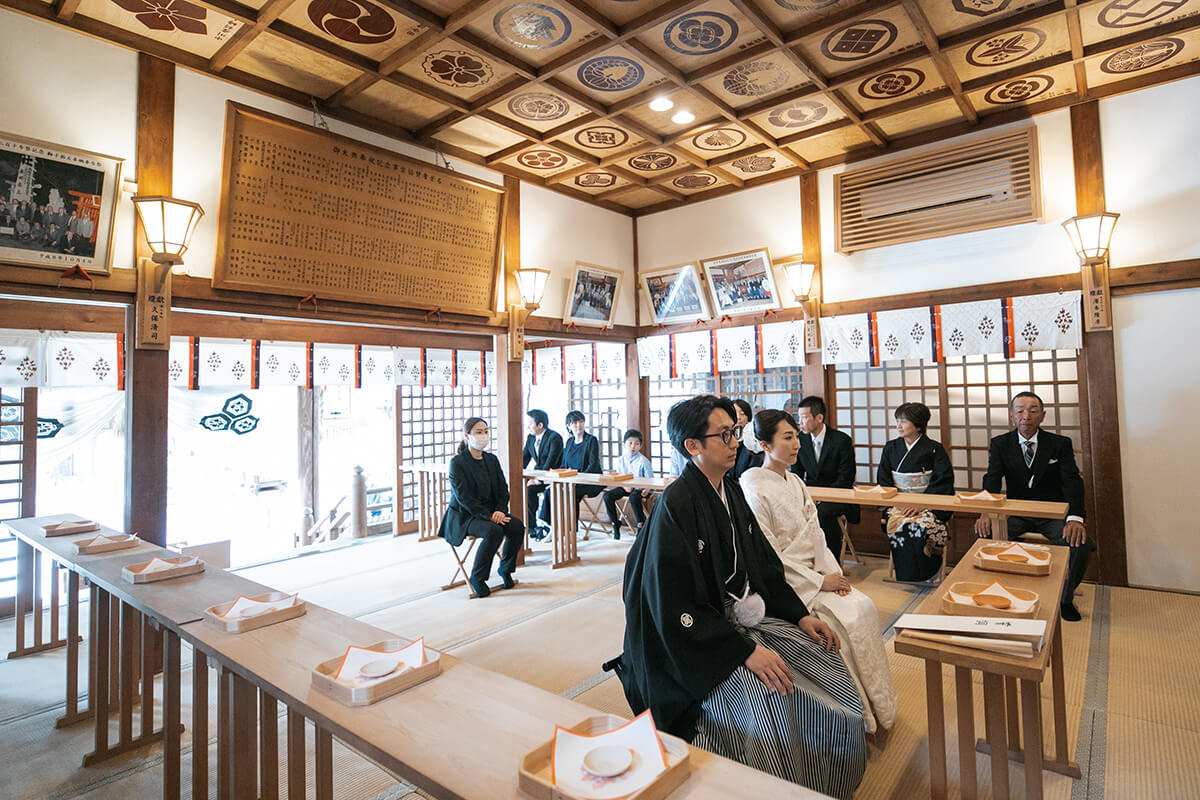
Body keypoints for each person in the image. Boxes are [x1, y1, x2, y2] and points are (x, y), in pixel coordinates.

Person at [615, 395, 866, 797]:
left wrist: (799, 615)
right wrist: (742, 652)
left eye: (736, 432)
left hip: (741, 622)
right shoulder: (676, 505)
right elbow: (673, 606)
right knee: (775, 700)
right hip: (697, 643)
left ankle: (827, 781)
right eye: (725, 434)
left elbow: (765, 566)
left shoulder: (730, 491)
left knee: (828, 668)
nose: (735, 442)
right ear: (692, 446)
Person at [740, 410, 897, 735]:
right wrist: (817, 582)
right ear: (765, 444)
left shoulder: (795, 481)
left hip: (816, 572)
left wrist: (831, 573)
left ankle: (879, 706)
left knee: (863, 606)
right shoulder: (752, 484)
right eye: (788, 437)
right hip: (789, 583)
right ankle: (858, 716)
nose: (797, 443)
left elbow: (816, 535)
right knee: (844, 621)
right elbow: (767, 553)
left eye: (797, 436)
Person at [973, 392, 1093, 621]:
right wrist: (986, 511)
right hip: (1016, 511)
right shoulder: (1001, 444)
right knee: (983, 532)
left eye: (1033, 410)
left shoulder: (1060, 444)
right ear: (1012, 416)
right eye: (1019, 410)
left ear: (1043, 415)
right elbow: (992, 479)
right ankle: (1000, 591)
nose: (1026, 416)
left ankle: (1065, 599)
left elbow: (1072, 481)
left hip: (1052, 512)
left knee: (1081, 543)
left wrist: (1076, 518)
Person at [437, 418, 523, 598]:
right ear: (467, 436)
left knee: (517, 526)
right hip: (466, 516)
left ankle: (505, 570)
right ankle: (478, 577)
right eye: (478, 432)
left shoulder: (491, 459)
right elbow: (464, 499)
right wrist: (489, 516)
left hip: (493, 512)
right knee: (494, 531)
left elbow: (502, 490)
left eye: (485, 431)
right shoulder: (458, 463)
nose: (483, 436)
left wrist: (499, 510)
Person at [876, 402, 955, 582]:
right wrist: (899, 504)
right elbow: (883, 480)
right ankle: (907, 575)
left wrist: (920, 505)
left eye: (904, 421)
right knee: (900, 524)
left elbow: (943, 482)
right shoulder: (890, 448)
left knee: (917, 526)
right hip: (899, 505)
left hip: (927, 505)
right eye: (897, 421)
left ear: (918, 424)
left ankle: (928, 572)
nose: (898, 426)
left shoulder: (935, 449)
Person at [790, 396, 860, 562]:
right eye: (798, 417)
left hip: (838, 495)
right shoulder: (801, 440)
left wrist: (821, 498)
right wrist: (804, 495)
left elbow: (846, 478)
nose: (800, 422)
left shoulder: (841, 440)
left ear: (819, 418)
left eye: (804, 417)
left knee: (823, 513)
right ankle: (803, 561)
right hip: (811, 495)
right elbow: (796, 474)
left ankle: (830, 562)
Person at [602, 429, 654, 540]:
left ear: (640, 446)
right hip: (625, 487)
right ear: (623, 445)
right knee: (607, 496)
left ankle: (641, 525)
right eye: (630, 443)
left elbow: (651, 481)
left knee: (634, 497)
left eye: (637, 444)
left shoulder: (643, 461)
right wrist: (625, 486)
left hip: (642, 489)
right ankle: (615, 523)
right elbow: (619, 478)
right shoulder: (621, 460)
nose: (633, 446)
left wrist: (647, 489)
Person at [522, 408, 563, 541]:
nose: (528, 426)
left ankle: (548, 526)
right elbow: (524, 459)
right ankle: (532, 527)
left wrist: (537, 479)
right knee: (529, 491)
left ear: (540, 425)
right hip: (539, 476)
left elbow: (551, 462)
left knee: (547, 493)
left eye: (530, 423)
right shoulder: (530, 438)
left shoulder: (554, 438)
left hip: (554, 478)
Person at [562, 409, 603, 520]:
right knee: (551, 491)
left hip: (591, 481)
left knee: (571, 492)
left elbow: (593, 465)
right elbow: (564, 465)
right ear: (568, 426)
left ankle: (571, 528)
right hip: (572, 481)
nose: (578, 425)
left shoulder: (591, 440)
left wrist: (578, 478)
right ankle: (551, 526)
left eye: (581, 421)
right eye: (574, 423)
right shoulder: (569, 442)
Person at [727, 398, 762, 480]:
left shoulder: (753, 440)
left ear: (748, 417)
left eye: (742, 414)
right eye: (735, 413)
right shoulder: (726, 439)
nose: (738, 417)